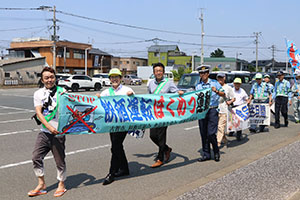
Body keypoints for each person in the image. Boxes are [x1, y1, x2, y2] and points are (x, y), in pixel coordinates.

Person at [28, 67, 67, 197]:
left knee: (59, 160)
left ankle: (61, 184)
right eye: (46, 78)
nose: (49, 80)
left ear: (55, 77)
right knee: (36, 157)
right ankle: (41, 184)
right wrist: (49, 128)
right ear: (42, 79)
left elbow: (72, 108)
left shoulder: (62, 92)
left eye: (51, 77)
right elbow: (39, 113)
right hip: (45, 132)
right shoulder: (38, 93)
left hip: (59, 132)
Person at [96, 68, 134, 185]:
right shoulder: (107, 92)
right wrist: (97, 97)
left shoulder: (127, 90)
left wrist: (131, 96)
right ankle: (124, 169)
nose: (114, 79)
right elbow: (99, 104)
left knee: (115, 146)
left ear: (121, 78)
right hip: (111, 124)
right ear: (109, 79)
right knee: (117, 146)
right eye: (112, 77)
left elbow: (135, 104)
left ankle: (111, 173)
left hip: (123, 123)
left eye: (116, 77)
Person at [147, 62, 184, 168]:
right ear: (153, 72)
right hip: (154, 113)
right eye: (156, 71)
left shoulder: (169, 83)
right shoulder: (151, 84)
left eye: (160, 71)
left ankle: (160, 159)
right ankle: (166, 149)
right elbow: (149, 97)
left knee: (161, 136)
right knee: (152, 136)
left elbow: (175, 93)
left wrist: (179, 93)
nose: (158, 72)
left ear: (163, 72)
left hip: (164, 113)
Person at [195, 66, 225, 162]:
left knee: (211, 133)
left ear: (208, 74)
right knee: (203, 133)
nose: (202, 75)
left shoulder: (214, 83)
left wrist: (216, 91)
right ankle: (206, 154)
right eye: (201, 73)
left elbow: (223, 93)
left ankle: (216, 151)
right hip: (202, 111)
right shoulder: (198, 85)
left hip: (212, 110)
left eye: (204, 73)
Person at [216, 73, 235, 147]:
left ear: (224, 78)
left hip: (223, 109)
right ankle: (224, 139)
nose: (220, 79)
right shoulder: (215, 87)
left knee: (221, 126)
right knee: (218, 126)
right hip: (215, 108)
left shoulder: (228, 87)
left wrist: (230, 102)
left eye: (221, 78)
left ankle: (218, 142)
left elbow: (233, 98)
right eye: (218, 78)